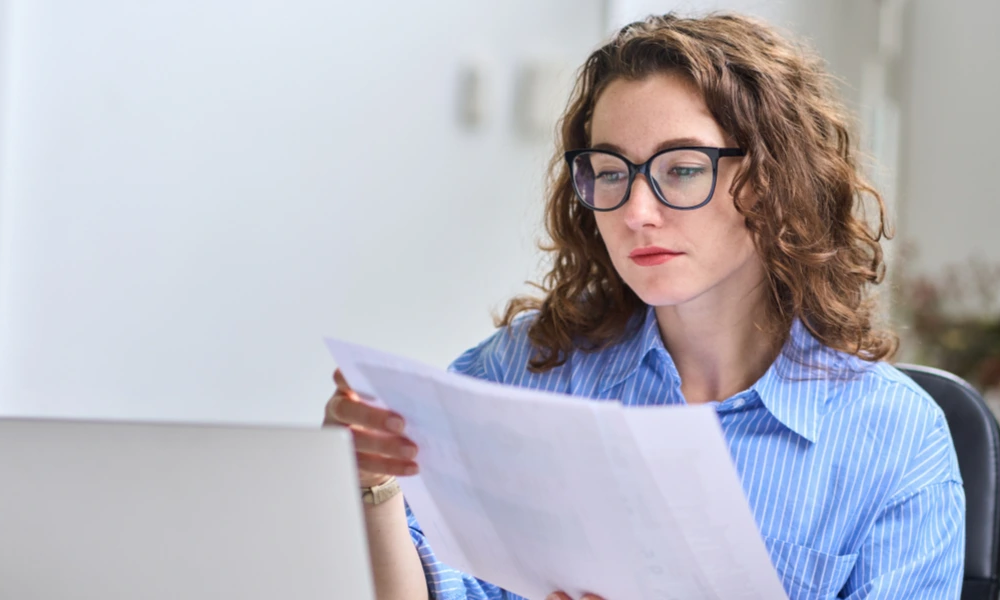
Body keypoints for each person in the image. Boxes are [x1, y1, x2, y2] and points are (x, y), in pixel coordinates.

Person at [324, 12, 965, 600]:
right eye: (609, 171)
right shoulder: (526, 369)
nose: (636, 213)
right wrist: (371, 485)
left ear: (772, 180)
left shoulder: (897, 440)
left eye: (682, 169)